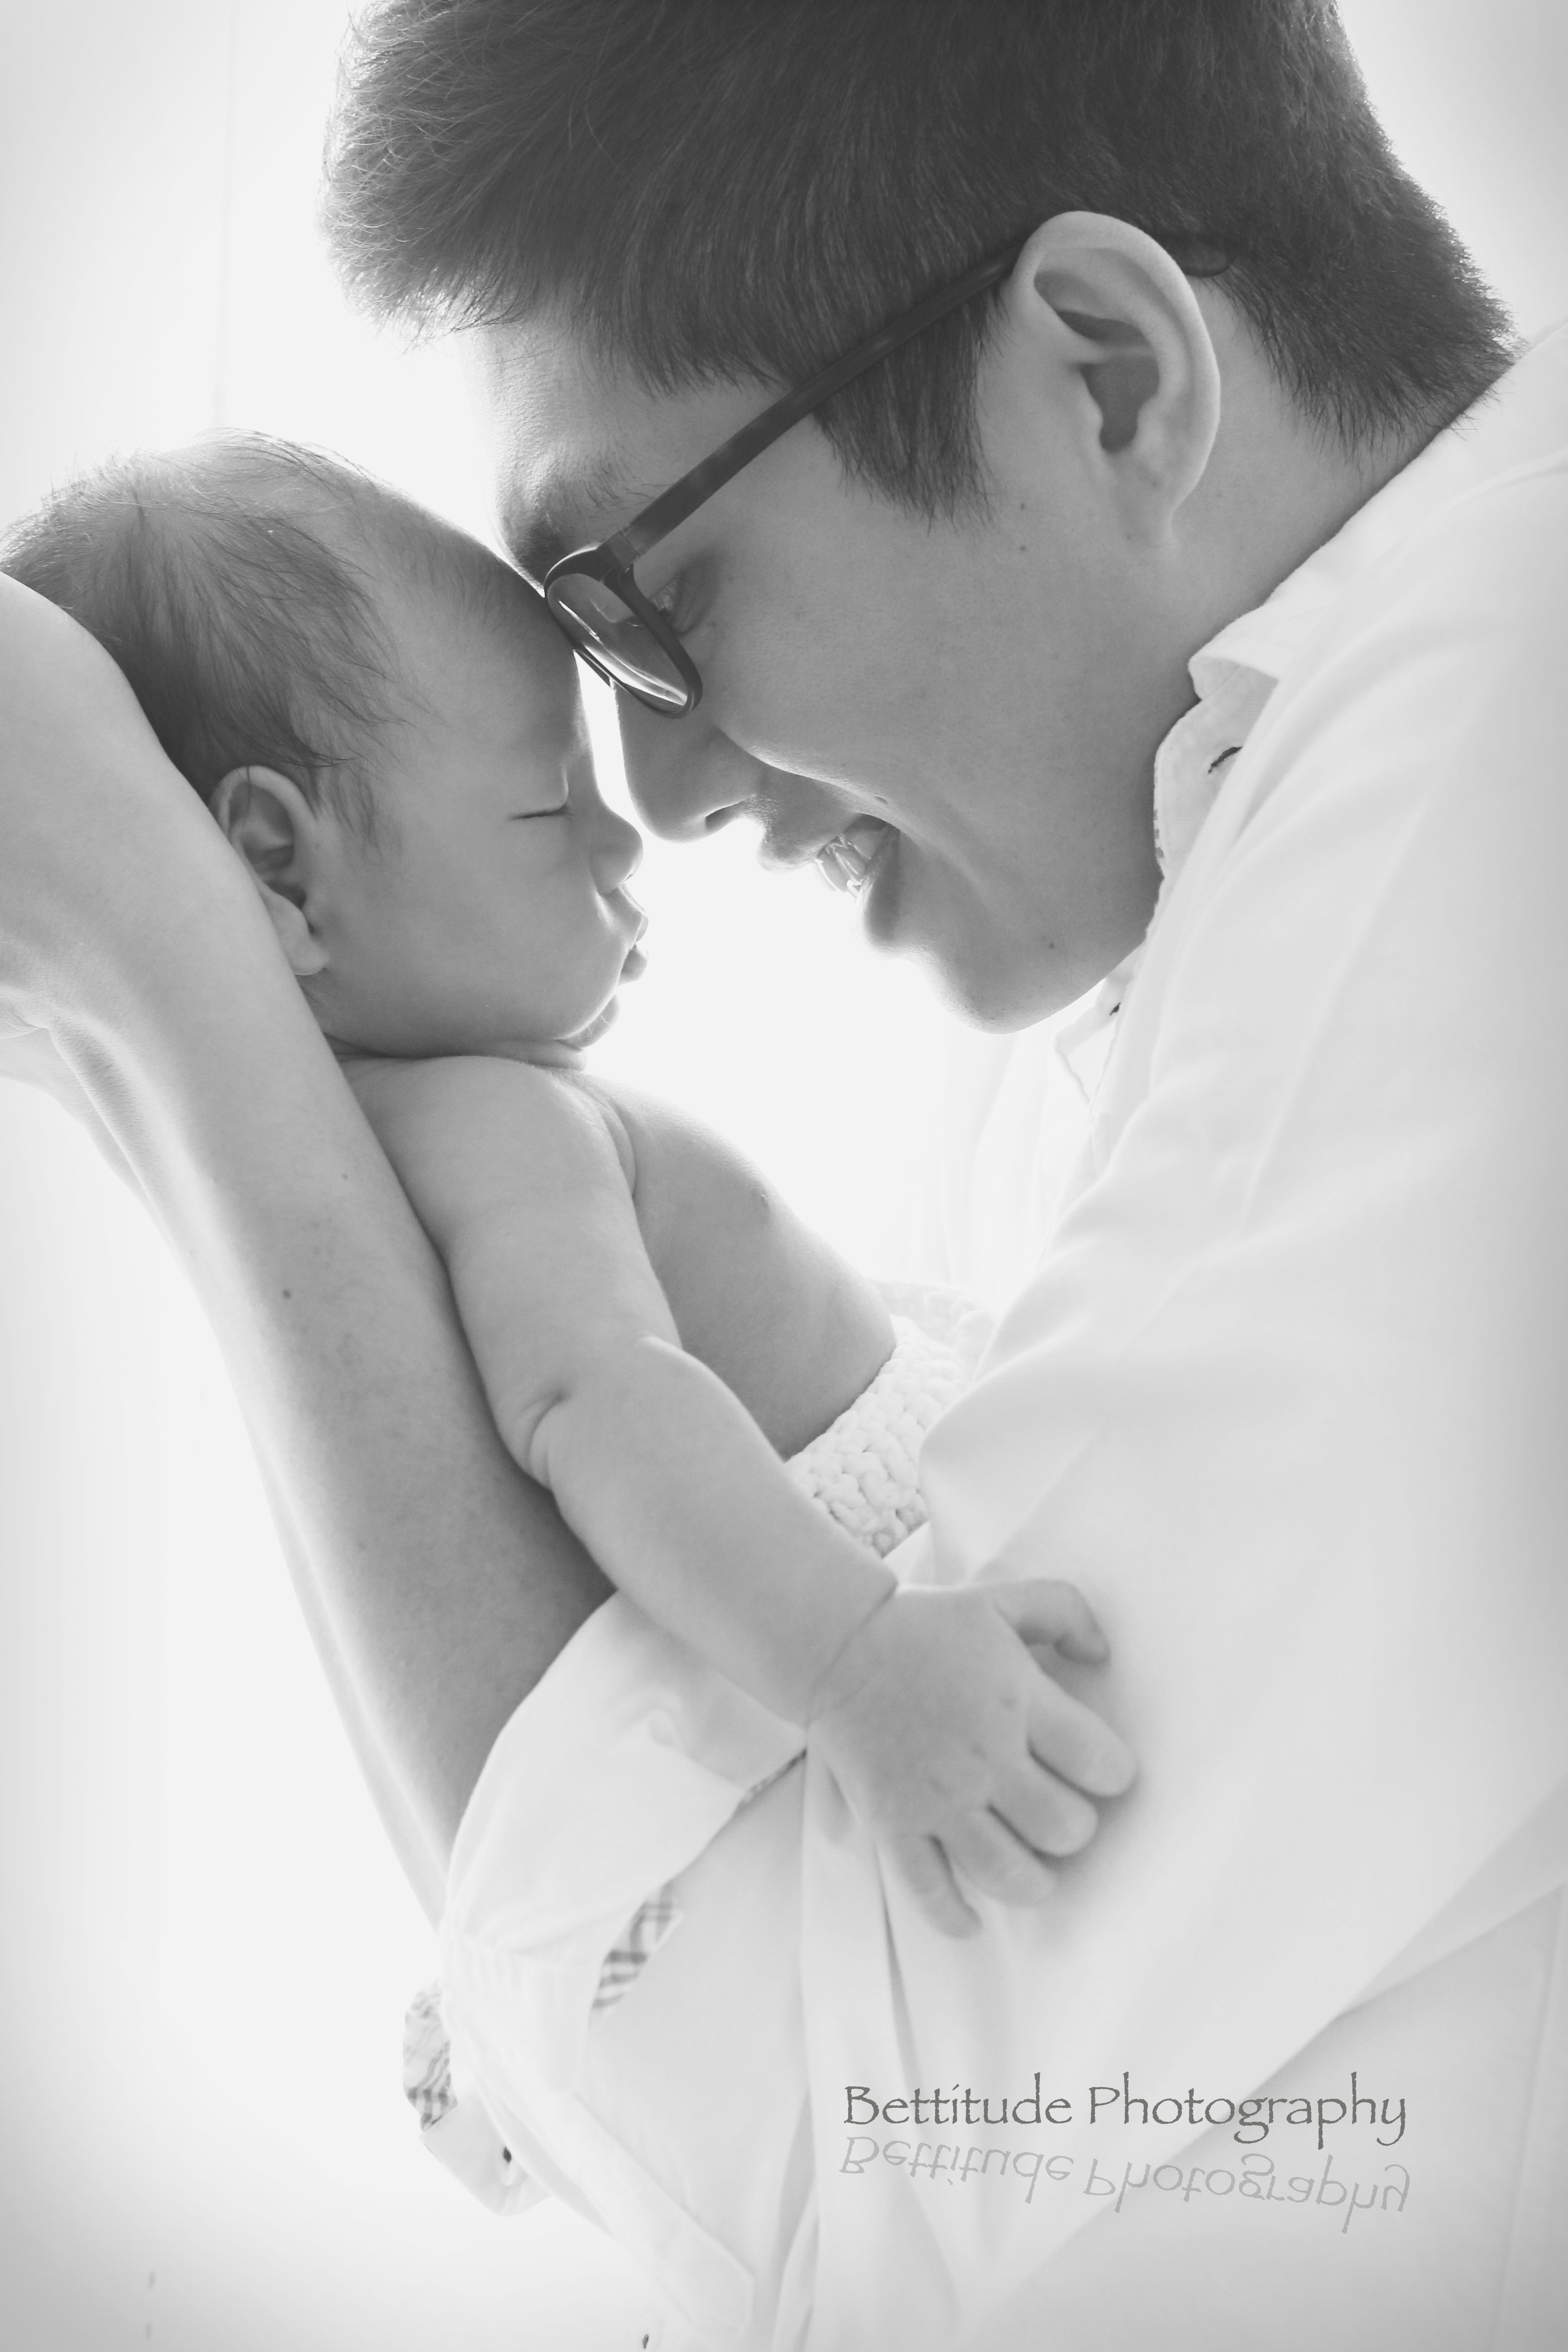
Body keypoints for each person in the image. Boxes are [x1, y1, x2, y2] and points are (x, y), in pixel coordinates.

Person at [0, 0, 1563, 2345]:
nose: (667, 796)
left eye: (646, 602)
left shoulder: (1469, 856)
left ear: (1107, 379)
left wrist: (172, 988)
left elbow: (842, 2182)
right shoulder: (1251, 893)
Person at [2, 433, 1134, 1947]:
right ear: (278, 866)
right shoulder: (494, 1126)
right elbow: (600, 1403)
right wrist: (860, 1662)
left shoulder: (357, 1161)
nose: (623, 843)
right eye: (550, 808)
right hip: (846, 1589)